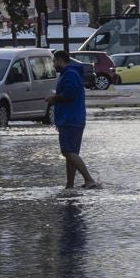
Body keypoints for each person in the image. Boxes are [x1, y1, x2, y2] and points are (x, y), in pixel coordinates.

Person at [47, 49, 100, 189]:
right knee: (71, 153)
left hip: (70, 119)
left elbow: (69, 94)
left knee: (67, 152)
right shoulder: (70, 73)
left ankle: (89, 180)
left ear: (59, 60)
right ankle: (69, 184)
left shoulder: (69, 74)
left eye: (54, 61)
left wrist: (54, 98)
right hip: (73, 119)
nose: (53, 65)